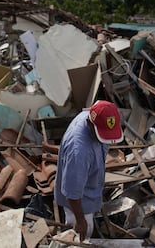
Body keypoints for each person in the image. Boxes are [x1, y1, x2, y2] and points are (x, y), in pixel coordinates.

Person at [54, 100, 124, 241]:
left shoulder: (90, 114)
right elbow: (73, 194)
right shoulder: (79, 152)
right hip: (78, 204)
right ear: (90, 124)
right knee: (80, 236)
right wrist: (80, 221)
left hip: (89, 189)